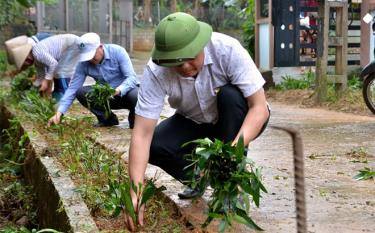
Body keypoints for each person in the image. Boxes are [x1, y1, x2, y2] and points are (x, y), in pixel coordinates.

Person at [125, 12, 270, 230]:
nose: (184, 67)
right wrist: (135, 192)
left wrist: (230, 153)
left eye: (190, 57)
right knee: (155, 145)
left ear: (201, 43)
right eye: (177, 62)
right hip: (192, 120)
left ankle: (231, 183)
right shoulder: (156, 71)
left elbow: (259, 108)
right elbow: (141, 134)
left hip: (237, 120)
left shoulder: (227, 50)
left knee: (230, 95)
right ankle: (201, 178)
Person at [47, 32, 139, 128]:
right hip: (106, 97)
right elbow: (73, 89)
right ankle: (108, 119)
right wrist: (59, 113)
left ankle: (135, 122)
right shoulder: (83, 64)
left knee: (137, 95)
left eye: (92, 55)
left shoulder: (118, 52)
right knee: (81, 92)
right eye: (87, 57)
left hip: (126, 94)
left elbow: (132, 78)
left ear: (100, 47)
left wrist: (118, 90)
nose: (90, 60)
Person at [7, 33, 79, 100]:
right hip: (66, 50)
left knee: (60, 74)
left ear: (27, 53)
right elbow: (41, 76)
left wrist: (46, 80)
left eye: (26, 60)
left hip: (71, 45)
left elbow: (53, 64)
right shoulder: (37, 62)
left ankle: (63, 99)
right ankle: (59, 98)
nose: (27, 63)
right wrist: (32, 86)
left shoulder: (37, 53)